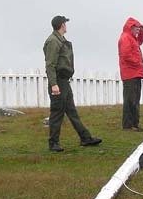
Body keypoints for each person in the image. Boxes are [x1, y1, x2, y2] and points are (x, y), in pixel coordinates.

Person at [43, 15, 101, 152]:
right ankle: (53, 143)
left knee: (72, 111)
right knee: (57, 113)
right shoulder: (53, 41)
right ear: (62, 25)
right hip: (58, 81)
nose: (66, 25)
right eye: (65, 23)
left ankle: (85, 138)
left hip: (64, 81)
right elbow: (50, 65)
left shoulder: (60, 40)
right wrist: (54, 84)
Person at [118, 17, 143, 132]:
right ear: (131, 27)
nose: (138, 31)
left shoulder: (132, 38)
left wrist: (142, 30)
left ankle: (134, 123)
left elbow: (141, 39)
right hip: (130, 73)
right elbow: (125, 55)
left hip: (134, 73)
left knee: (134, 99)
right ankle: (129, 125)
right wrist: (137, 62)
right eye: (137, 28)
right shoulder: (126, 38)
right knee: (130, 100)